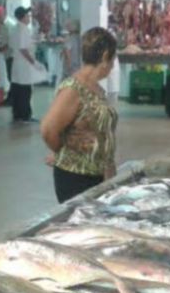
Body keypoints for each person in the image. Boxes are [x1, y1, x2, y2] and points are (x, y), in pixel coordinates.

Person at [41, 27, 118, 203]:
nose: (113, 66)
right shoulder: (73, 89)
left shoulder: (96, 87)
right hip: (76, 177)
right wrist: (62, 150)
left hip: (97, 175)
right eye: (113, 59)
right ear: (105, 57)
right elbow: (48, 130)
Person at [9, 6, 39, 122]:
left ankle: (17, 115)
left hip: (17, 63)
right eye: (27, 16)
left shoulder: (15, 28)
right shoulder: (24, 29)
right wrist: (33, 62)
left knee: (17, 89)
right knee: (25, 91)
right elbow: (23, 49)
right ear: (23, 17)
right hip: (24, 64)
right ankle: (25, 115)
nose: (29, 17)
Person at [0, 6, 15, 104]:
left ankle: (12, 99)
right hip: (8, 55)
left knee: (12, 78)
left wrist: (1, 48)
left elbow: (11, 42)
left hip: (12, 55)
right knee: (10, 78)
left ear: (2, 15)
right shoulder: (2, 25)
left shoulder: (9, 24)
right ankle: (11, 98)